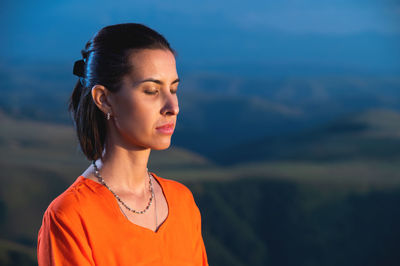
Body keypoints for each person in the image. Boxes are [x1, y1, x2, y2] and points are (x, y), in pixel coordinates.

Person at [37, 23, 208, 266]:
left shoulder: (182, 202)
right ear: (104, 100)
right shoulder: (71, 216)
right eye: (151, 90)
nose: (173, 107)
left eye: (174, 89)